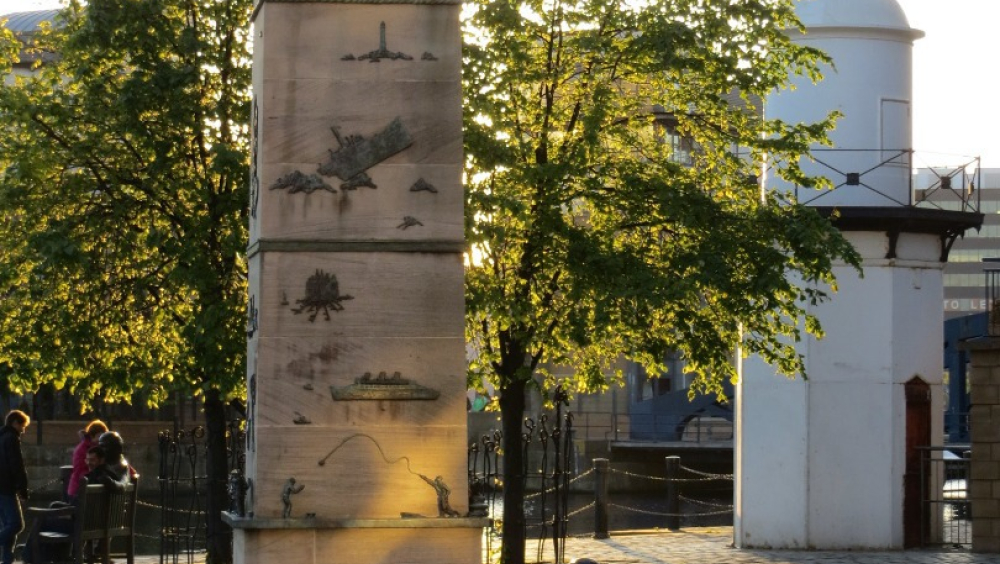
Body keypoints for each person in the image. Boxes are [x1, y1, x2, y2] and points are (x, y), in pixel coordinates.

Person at [0, 410, 29, 564]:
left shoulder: (1, 436)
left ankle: (7, 559)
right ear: (15, 423)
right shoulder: (11, 438)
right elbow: (17, 465)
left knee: (8, 525)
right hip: (6, 488)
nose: (23, 430)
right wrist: (23, 489)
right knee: (17, 524)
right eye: (22, 426)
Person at [67, 420, 108, 503]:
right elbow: (79, 471)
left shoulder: (101, 448)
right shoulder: (82, 449)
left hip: (92, 490)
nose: (101, 440)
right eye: (99, 436)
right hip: (79, 491)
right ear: (92, 436)